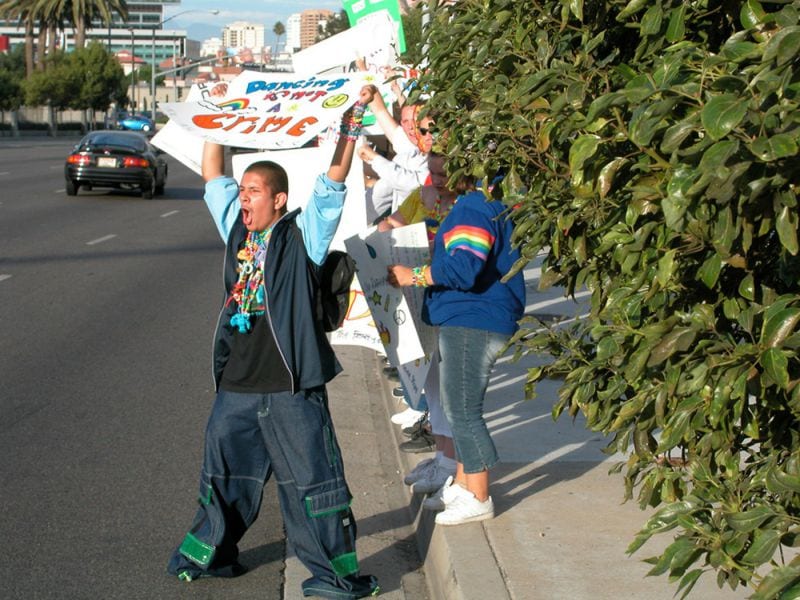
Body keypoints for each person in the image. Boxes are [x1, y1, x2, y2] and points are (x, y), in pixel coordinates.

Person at [167, 85, 381, 600]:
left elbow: (332, 184)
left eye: (254, 191)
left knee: (314, 487)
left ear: (278, 199)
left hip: (291, 389)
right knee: (223, 475)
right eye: (243, 192)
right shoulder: (237, 234)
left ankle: (333, 580)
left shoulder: (301, 236)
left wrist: (350, 126)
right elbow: (212, 175)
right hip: (237, 386)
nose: (243, 198)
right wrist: (213, 114)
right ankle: (210, 555)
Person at [386, 172, 526, 526]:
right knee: (458, 405)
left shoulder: (474, 208)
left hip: (472, 318)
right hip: (470, 317)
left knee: (463, 409)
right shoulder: (477, 206)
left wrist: (413, 275)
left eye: (439, 164)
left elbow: (465, 269)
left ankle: (478, 494)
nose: (432, 172)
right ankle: (464, 485)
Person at [377, 151, 460, 495]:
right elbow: (388, 224)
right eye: (433, 173)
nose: (437, 181)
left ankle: (451, 464)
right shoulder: (420, 197)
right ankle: (441, 457)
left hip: (448, 302)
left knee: (449, 389)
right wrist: (392, 232)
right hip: (419, 300)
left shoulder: (466, 207)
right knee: (431, 383)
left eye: (444, 174)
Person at [358, 95, 433, 222]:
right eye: (405, 121)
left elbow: (417, 186)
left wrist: (375, 159)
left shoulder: (447, 152)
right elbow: (381, 192)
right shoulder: (407, 154)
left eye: (416, 120)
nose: (411, 127)